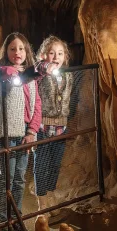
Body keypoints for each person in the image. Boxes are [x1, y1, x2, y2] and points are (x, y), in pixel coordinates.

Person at [0, 32, 42, 231]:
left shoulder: (31, 75)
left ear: (26, 51)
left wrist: (32, 131)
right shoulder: (1, 74)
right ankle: (5, 222)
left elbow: (37, 103)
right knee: (7, 180)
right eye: (12, 49)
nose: (17, 52)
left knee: (19, 179)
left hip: (25, 133)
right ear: (6, 52)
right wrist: (8, 71)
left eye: (21, 48)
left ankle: (17, 219)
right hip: (7, 134)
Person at [32, 36, 73, 210]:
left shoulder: (69, 75)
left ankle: (49, 197)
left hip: (61, 127)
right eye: (51, 53)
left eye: (60, 53)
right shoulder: (40, 73)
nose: (56, 57)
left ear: (65, 57)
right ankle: (41, 204)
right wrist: (44, 66)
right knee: (41, 164)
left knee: (55, 163)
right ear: (43, 55)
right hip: (42, 126)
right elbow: (37, 67)